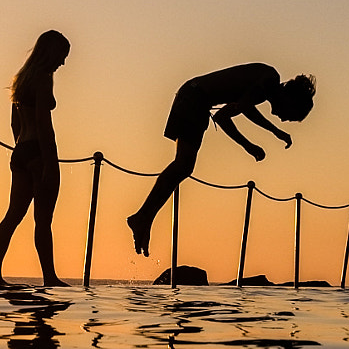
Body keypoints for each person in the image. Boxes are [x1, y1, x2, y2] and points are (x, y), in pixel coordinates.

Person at [127, 63, 315, 255]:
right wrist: (263, 138)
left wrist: (260, 139)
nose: (283, 119)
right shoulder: (269, 77)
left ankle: (144, 219)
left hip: (196, 101)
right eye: (289, 115)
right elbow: (234, 112)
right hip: (193, 97)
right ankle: (142, 218)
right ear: (290, 99)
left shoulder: (261, 91)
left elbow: (233, 112)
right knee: (183, 164)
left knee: (184, 166)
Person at [0, 30, 71, 286]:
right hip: (38, 151)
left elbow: (15, 122)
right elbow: (44, 125)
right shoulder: (44, 79)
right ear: (51, 52)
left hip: (21, 150)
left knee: (13, 215)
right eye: (61, 55)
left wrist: (21, 150)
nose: (63, 62)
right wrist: (47, 163)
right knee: (43, 220)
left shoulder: (22, 79)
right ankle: (49, 277)